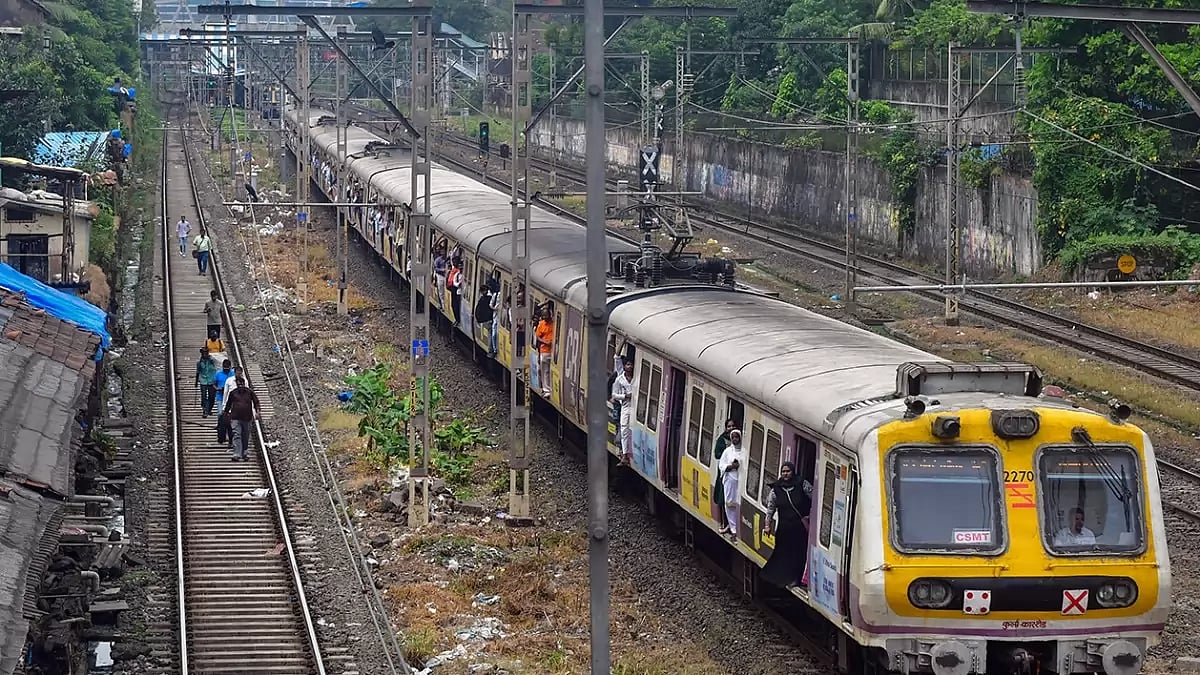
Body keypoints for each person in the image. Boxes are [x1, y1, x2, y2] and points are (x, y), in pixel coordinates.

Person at [761, 462, 814, 589]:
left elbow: (815, 499)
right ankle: (785, 578)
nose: (785, 474)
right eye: (783, 471)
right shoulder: (776, 489)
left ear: (793, 472)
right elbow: (770, 509)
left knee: (799, 554)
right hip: (784, 528)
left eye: (788, 471)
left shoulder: (802, 484)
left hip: (799, 527)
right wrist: (767, 526)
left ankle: (797, 578)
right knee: (784, 554)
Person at [222, 375, 261, 461]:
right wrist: (226, 414)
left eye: (242, 384)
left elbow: (256, 402)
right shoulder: (233, 393)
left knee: (245, 435)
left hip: (247, 417)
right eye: (239, 385)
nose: (241, 386)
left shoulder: (249, 392)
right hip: (235, 417)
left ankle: (244, 452)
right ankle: (236, 454)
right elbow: (228, 404)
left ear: (244, 384)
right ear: (237, 384)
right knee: (236, 434)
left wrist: (258, 412)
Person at [717, 429, 744, 538]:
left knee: (739, 505)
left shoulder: (744, 451)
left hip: (740, 481)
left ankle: (738, 526)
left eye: (737, 437)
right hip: (730, 480)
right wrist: (730, 467)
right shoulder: (727, 451)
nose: (735, 439)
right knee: (729, 503)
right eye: (733, 437)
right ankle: (733, 528)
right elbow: (721, 465)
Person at [712, 418, 738, 530]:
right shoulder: (722, 440)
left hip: (736, 475)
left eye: (733, 426)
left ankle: (732, 524)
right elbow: (717, 454)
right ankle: (724, 522)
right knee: (724, 498)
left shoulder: (739, 440)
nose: (731, 428)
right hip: (725, 474)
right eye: (729, 426)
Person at [610, 360, 635, 466]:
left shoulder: (636, 378)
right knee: (624, 429)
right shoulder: (619, 380)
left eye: (631, 364)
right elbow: (614, 395)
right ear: (624, 366)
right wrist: (625, 396)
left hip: (636, 407)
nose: (630, 367)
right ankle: (625, 455)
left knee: (631, 429)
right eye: (628, 365)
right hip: (625, 406)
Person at [213, 360, 235, 446]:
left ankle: (229, 434)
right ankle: (221, 430)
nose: (226, 370)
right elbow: (214, 384)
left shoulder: (233, 374)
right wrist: (218, 389)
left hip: (231, 398)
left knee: (230, 416)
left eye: (227, 368)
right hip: (220, 397)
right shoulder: (218, 374)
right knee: (220, 414)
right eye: (225, 368)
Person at [534, 306, 554, 398]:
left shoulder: (554, 324)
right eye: (544, 316)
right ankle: (547, 390)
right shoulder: (541, 324)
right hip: (545, 350)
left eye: (547, 315)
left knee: (551, 371)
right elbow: (537, 337)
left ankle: (552, 388)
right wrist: (545, 342)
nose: (545, 317)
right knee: (545, 371)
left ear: (550, 315)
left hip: (554, 351)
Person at [195, 347, 217, 417]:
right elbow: (198, 372)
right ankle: (205, 410)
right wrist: (196, 382)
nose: (205, 355)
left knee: (212, 396)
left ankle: (209, 409)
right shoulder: (199, 362)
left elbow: (217, 367)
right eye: (203, 353)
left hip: (212, 380)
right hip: (203, 381)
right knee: (204, 396)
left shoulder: (212, 360)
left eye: (206, 353)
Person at [474, 282, 494, 354]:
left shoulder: (482, 300)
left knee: (490, 334)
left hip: (485, 320)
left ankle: (490, 349)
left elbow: (477, 310)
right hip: (490, 319)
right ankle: (491, 349)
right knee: (490, 334)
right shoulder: (490, 298)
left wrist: (478, 319)